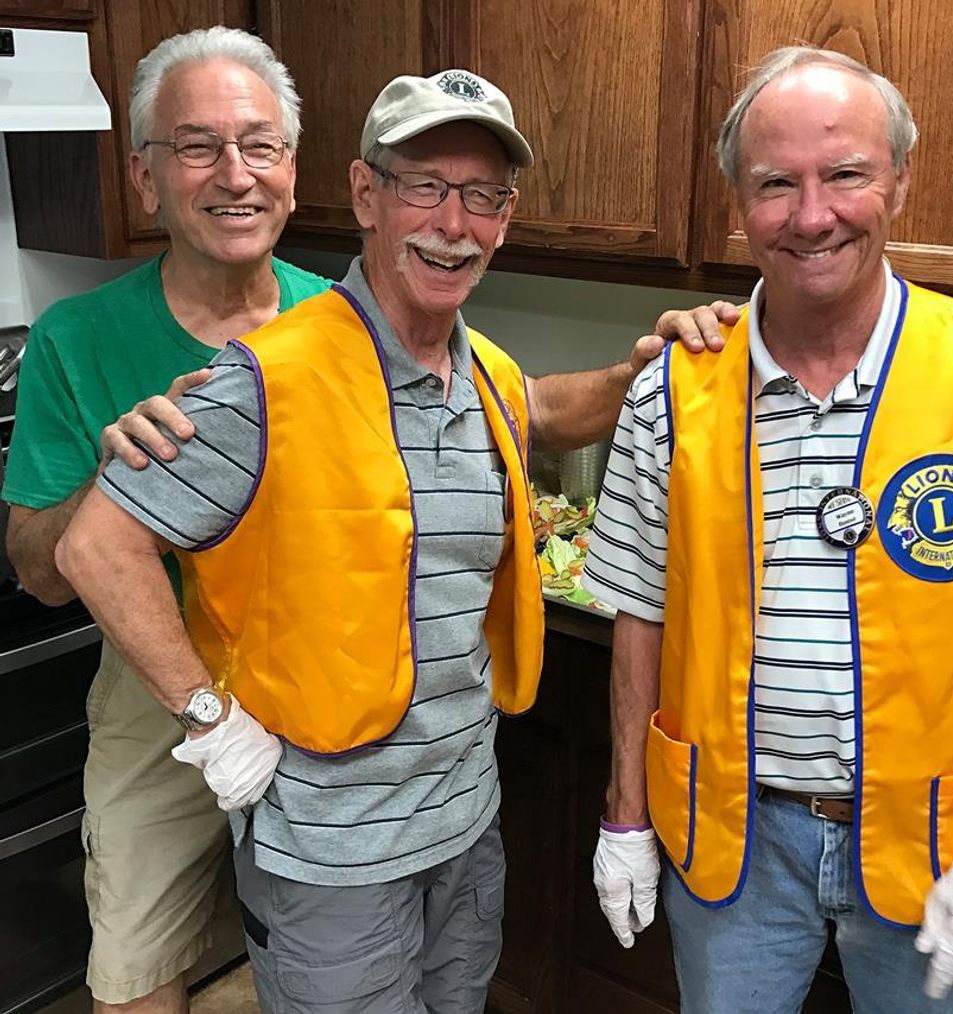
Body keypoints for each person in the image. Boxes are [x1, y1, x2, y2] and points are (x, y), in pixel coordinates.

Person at [53, 67, 727, 1013]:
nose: (454, 223)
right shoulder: (265, 381)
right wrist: (209, 718)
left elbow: (535, 410)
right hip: (330, 856)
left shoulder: (481, 368)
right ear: (367, 195)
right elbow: (95, 546)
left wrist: (637, 373)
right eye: (426, 187)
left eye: (482, 197)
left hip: (463, 824)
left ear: (506, 215)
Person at [582, 45, 953, 1014]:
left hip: (935, 847)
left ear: (900, 181)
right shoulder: (674, 387)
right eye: (776, 182)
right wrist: (625, 815)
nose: (812, 215)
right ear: (738, 200)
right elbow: (638, 615)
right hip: (727, 843)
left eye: (846, 175)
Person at [2, 27, 328, 1012]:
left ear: (292, 172)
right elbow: (39, 572)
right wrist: (112, 481)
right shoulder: (77, 337)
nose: (234, 174)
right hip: (156, 690)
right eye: (196, 146)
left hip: (322, 683)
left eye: (258, 144)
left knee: (325, 957)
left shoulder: (348, 323)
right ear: (146, 180)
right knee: (137, 966)